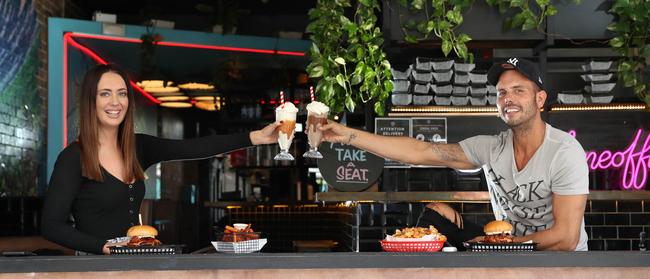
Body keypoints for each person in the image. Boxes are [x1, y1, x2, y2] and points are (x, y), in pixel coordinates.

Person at [320, 58, 589, 251]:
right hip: (507, 250)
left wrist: (496, 246)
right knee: (435, 213)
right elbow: (421, 151)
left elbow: (566, 238)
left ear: (540, 99)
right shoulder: (491, 147)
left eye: (519, 91)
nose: (508, 99)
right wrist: (347, 135)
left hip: (559, 262)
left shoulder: (564, 152)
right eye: (502, 93)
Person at [41, 64, 280, 254]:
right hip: (95, 268)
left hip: (137, 261)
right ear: (90, 101)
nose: (115, 102)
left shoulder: (138, 146)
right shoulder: (73, 157)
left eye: (122, 94)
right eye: (105, 94)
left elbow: (192, 148)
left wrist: (256, 137)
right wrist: (104, 247)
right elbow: (51, 226)